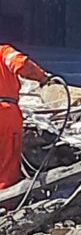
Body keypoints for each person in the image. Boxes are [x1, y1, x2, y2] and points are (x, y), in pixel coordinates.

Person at [0, 44, 48, 190]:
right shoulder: (3, 52)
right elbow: (21, 64)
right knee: (7, 163)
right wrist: (43, 77)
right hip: (5, 113)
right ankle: (5, 204)